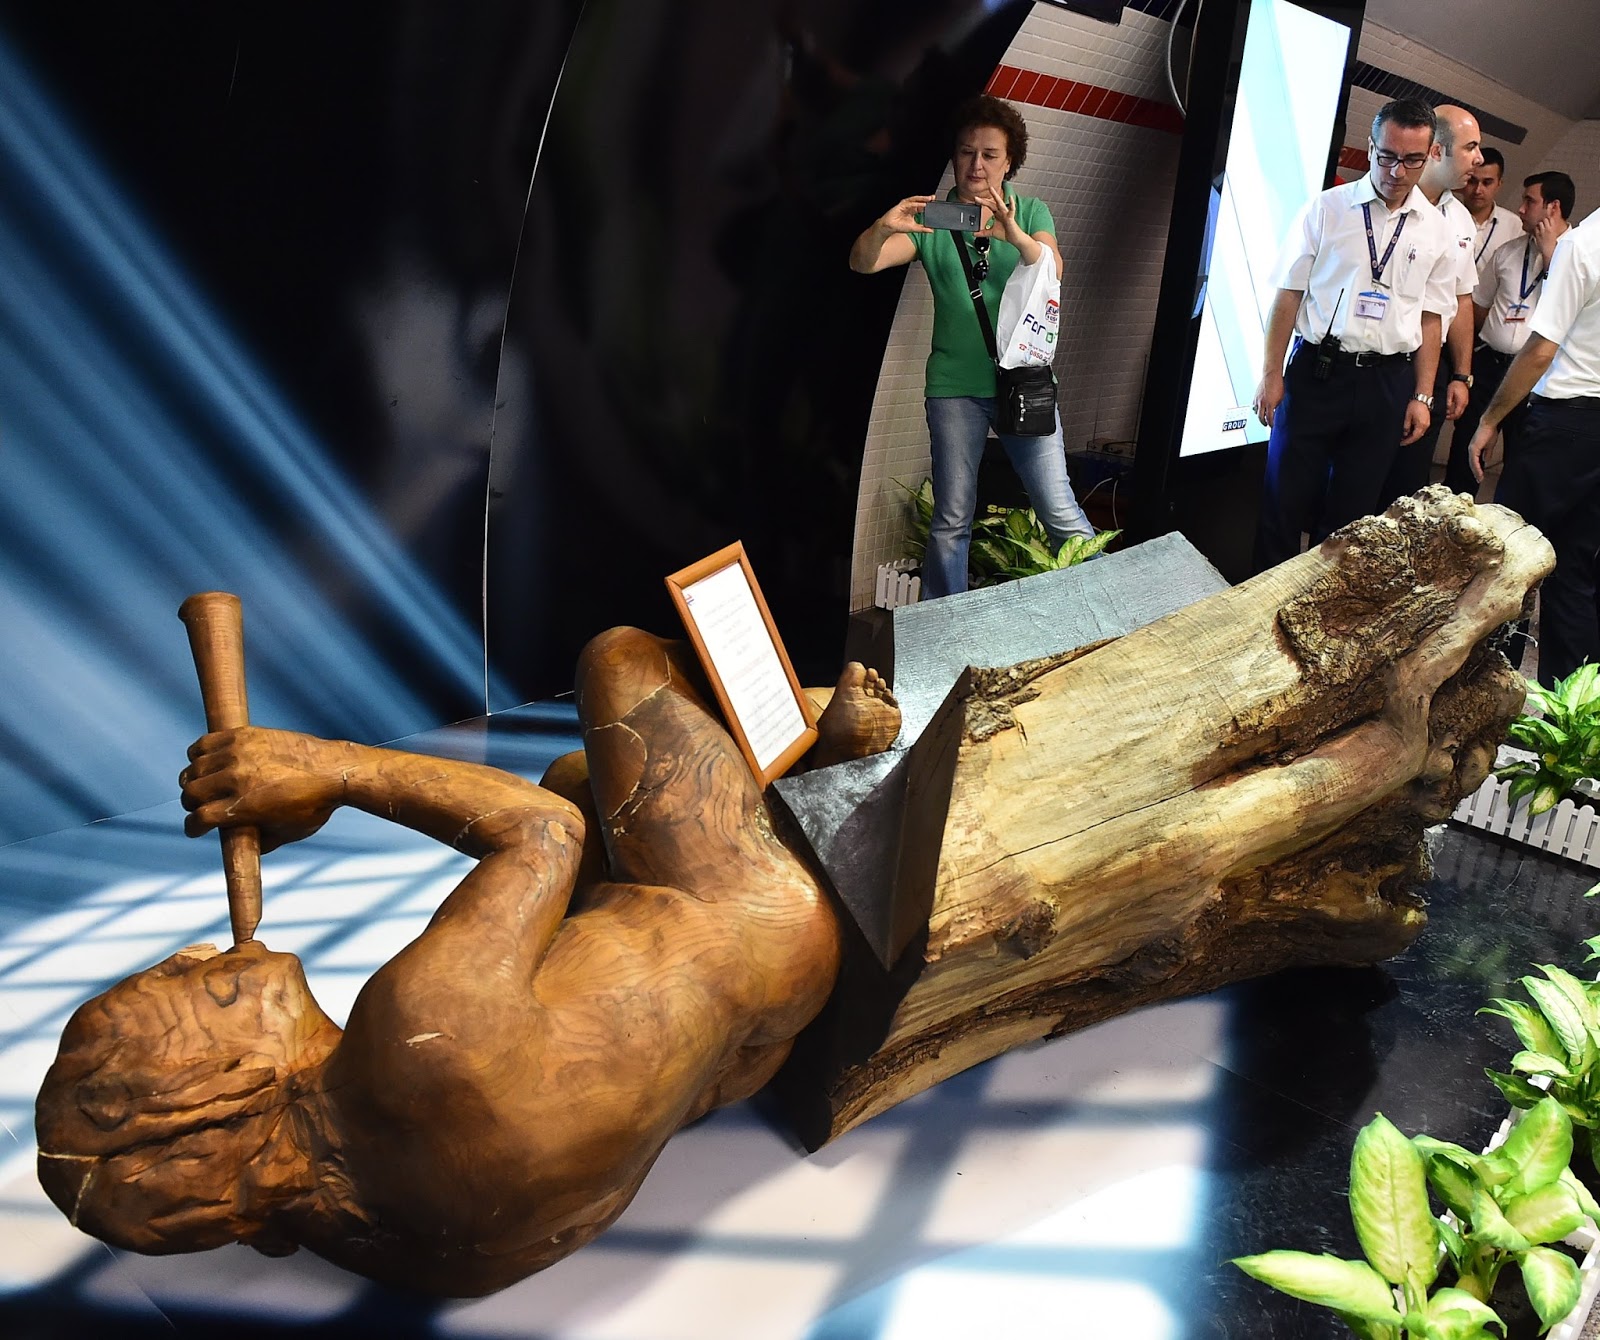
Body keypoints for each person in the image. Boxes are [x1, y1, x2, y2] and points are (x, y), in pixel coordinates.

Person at [35, 629, 901, 1297]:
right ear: (216, 1083)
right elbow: (542, 834)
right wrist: (330, 770)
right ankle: (823, 738)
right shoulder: (420, 1033)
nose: (192, 955)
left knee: (575, 774)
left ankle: (780, 782)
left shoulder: (367, 1236)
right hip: (760, 924)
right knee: (617, 666)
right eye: (185, 983)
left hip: (716, 1064)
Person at [849, 95, 1092, 598]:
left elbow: (1053, 270)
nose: (976, 164)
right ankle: (944, 629)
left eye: (989, 154)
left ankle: (1109, 615)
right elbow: (864, 263)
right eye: (966, 152)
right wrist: (883, 226)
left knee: (1059, 509)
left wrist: (1014, 234)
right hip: (954, 387)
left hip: (1023, 384)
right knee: (951, 518)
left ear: (1009, 161)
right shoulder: (933, 219)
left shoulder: (1031, 210)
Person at [1251, 98, 1458, 571]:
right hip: (1318, 372)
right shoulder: (1328, 209)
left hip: (1386, 382)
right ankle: (1265, 603)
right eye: (1387, 156)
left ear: (1430, 156)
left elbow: (1432, 319)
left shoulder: (1437, 231)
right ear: (1370, 147)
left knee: (1351, 516)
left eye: (1411, 160)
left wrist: (1423, 395)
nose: (1397, 171)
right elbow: (1288, 295)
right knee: (1283, 500)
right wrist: (1270, 373)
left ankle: (1326, 608)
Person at [1468, 190, 1600, 683]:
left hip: (1564, 422)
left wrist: (1490, 420)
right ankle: (1569, 710)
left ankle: (1484, 689)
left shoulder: (1582, 245)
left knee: (1510, 561)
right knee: (1576, 574)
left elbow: (1541, 350)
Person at [1376, 104, 1484, 509]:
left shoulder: (1460, 220)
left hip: (1431, 366)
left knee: (1407, 485)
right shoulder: (1388, 201)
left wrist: (1461, 374)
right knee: (1361, 479)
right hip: (1383, 361)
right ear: (1436, 151)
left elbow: (1460, 298)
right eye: (1471, 147)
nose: (1478, 158)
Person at [1444, 171, 1575, 495]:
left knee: (1522, 460)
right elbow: (1478, 308)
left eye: (1529, 201)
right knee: (1465, 449)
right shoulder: (1508, 252)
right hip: (1489, 365)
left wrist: (1550, 257)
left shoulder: (1578, 256)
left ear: (1553, 207)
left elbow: (1566, 311)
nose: (1520, 209)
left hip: (1537, 374)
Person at [1458, 147, 1523, 282]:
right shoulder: (1446, 216)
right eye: (1472, 181)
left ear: (1499, 184)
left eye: (1487, 183)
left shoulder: (1514, 225)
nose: (1478, 190)